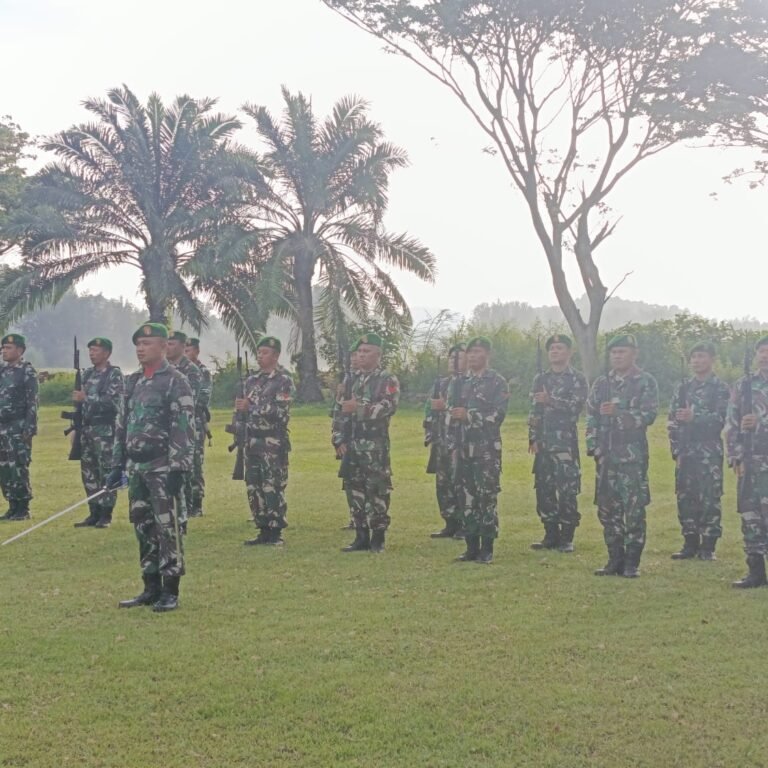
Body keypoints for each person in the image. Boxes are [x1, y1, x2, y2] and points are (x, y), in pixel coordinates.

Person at [110, 322, 194, 613]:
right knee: (143, 526)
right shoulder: (133, 381)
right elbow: (123, 425)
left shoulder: (175, 380)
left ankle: (170, 590)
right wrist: (117, 463)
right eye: (138, 345)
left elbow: (182, 425)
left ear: (162, 346)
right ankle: (150, 586)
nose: (141, 349)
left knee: (167, 528)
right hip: (137, 468)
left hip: (162, 466)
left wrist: (178, 468)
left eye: (147, 344)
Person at [586, 334, 658, 578]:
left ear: (634, 353)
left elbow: (647, 416)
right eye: (614, 352)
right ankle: (614, 559)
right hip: (606, 455)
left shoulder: (645, 381)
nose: (617, 356)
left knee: (634, 509)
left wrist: (620, 413)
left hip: (631, 456)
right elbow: (591, 416)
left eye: (622, 352)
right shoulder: (602, 383)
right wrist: (592, 446)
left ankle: (632, 562)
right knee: (607, 509)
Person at [332, 333, 400, 554]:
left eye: (366, 352)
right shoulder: (350, 379)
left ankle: (377, 537)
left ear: (378, 355)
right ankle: (360, 534)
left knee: (377, 489)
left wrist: (360, 409)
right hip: (352, 444)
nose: (361, 356)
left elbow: (388, 406)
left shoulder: (387, 379)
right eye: (359, 352)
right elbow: (339, 410)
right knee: (354, 489)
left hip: (375, 445)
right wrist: (338, 439)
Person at [667, 341, 730, 561]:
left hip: (708, 450)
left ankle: (708, 545)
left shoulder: (720, 388)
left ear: (712, 359)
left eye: (701, 356)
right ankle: (690, 542)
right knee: (685, 496)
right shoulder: (683, 387)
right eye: (694, 357)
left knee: (709, 497)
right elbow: (672, 420)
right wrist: (676, 449)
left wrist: (696, 418)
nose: (697, 361)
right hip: (686, 450)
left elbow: (723, 419)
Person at [528, 334, 588, 553]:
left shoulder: (577, 379)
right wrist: (532, 436)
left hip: (564, 444)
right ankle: (550, 533)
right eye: (552, 348)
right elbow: (534, 410)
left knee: (567, 490)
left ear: (569, 352)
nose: (555, 351)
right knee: (544, 489)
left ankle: (567, 536)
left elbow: (576, 407)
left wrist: (551, 400)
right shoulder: (540, 379)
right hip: (543, 444)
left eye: (560, 348)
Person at [452, 336, 509, 564]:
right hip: (463, 447)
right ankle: (471, 546)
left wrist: (470, 417)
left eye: (477, 351)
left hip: (486, 449)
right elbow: (450, 412)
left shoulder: (497, 382)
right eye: (470, 352)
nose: (473, 356)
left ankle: (487, 547)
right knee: (466, 498)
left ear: (487, 355)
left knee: (486, 498)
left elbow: (498, 415)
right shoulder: (459, 383)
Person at [236, 336, 295, 546]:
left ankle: (275, 530)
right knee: (254, 487)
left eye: (265, 353)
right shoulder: (251, 381)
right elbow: (243, 411)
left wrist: (250, 407)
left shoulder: (283, 381)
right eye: (259, 352)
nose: (260, 356)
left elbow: (280, 412)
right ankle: (262, 527)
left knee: (273, 486)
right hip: (252, 441)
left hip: (273, 442)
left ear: (276, 355)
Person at [727, 336, 768, 588]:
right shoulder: (743, 385)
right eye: (761, 351)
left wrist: (762, 423)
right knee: (750, 514)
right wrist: (735, 456)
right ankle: (755, 571)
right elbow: (732, 423)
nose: (764, 355)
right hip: (750, 463)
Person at [72, 337, 124, 529]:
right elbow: (78, 406)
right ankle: (93, 512)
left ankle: (106, 514)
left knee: (107, 473)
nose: (92, 353)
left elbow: (114, 401)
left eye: (96, 350)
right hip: (87, 430)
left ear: (107, 353)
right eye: (91, 350)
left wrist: (87, 397)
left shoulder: (114, 374)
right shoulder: (86, 375)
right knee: (89, 473)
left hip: (106, 431)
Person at [424, 343, 467, 539]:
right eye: (451, 358)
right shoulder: (441, 383)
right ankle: (450, 522)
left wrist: (445, 406)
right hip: (441, 440)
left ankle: (464, 524)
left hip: (460, 441)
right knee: (443, 483)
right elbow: (429, 409)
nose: (454, 361)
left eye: (459, 357)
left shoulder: (469, 383)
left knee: (461, 481)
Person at [0, 334, 38, 522]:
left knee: (18, 465)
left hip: (18, 426)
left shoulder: (26, 372)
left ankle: (23, 507)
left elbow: (32, 402)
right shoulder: (1, 371)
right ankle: (12, 505)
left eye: (8, 347)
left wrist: (29, 429)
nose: (4, 351)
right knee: (4, 468)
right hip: (2, 426)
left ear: (20, 350)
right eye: (3, 347)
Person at [166, 331, 202, 527]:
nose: (167, 347)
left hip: (185, 428)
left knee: (187, 468)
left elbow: (192, 401)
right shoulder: (162, 369)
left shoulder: (191, 371)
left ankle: (188, 508)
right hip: (165, 431)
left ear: (182, 345)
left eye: (171, 344)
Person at [185, 337, 212, 517]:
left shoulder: (203, 372)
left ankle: (197, 503)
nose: (186, 353)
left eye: (189, 350)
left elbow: (203, 398)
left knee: (195, 464)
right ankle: (185, 502)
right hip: (181, 424)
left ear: (196, 351)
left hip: (196, 423)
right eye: (184, 349)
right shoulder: (178, 371)